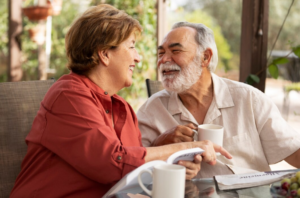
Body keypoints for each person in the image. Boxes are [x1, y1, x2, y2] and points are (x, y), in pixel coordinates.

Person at [9, 5, 232, 198]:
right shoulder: (68, 95)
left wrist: (173, 158)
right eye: (131, 46)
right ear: (105, 54)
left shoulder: (121, 106)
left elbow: (132, 168)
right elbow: (112, 163)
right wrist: (190, 146)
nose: (138, 56)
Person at [137, 21, 300, 178]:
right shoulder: (151, 110)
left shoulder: (249, 99)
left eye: (175, 51)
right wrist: (160, 145)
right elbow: (131, 166)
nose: (164, 60)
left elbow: (293, 152)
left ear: (205, 58)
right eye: (161, 53)